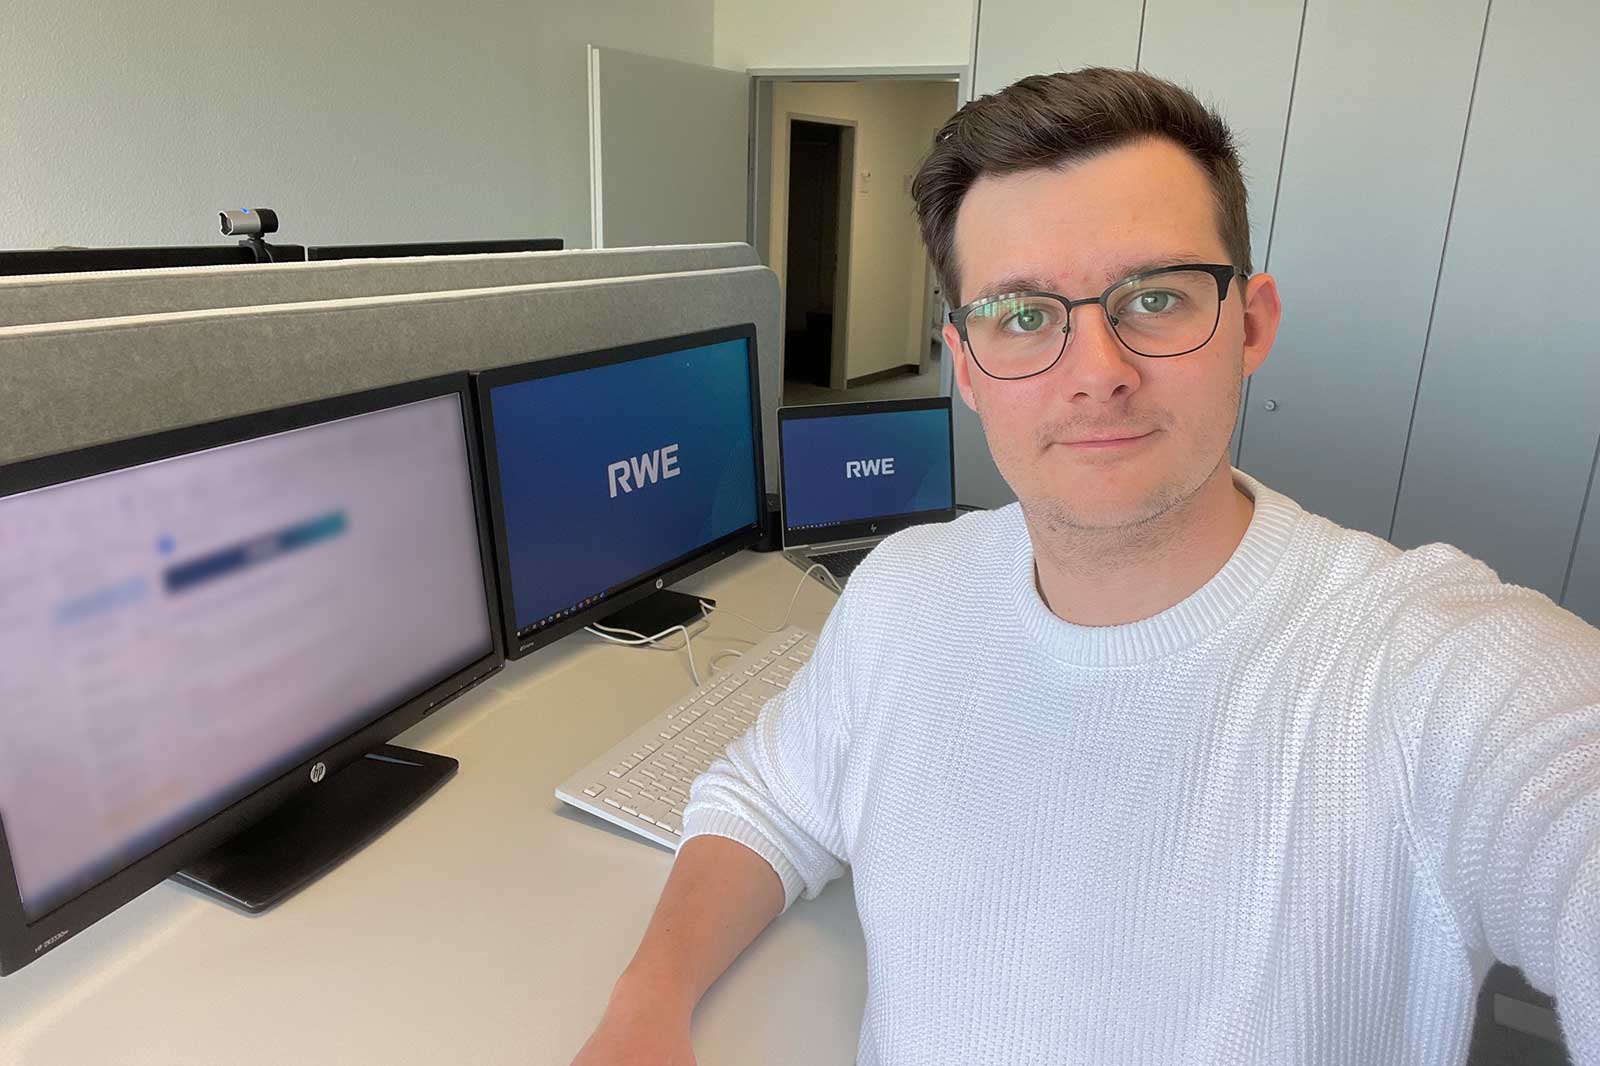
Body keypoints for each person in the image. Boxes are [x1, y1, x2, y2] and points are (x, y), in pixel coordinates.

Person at [571, 66, 1600, 1065]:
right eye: (1023, 316)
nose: (1096, 373)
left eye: (1153, 298)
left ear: (1249, 325)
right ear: (964, 367)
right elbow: (769, 801)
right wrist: (644, 1006)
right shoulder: (903, 592)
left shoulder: (1429, 670)